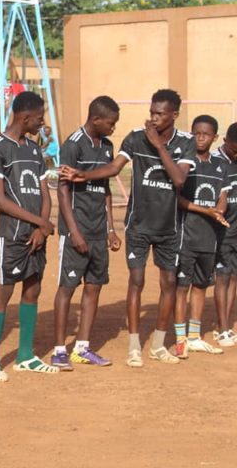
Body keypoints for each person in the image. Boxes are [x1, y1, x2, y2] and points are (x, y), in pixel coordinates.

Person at [61, 89, 196, 367]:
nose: (154, 118)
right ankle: (135, 346)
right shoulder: (135, 137)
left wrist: (158, 145)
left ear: (174, 115)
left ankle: (159, 344)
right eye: (152, 112)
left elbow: (179, 179)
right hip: (138, 225)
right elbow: (113, 168)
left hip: (168, 227)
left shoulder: (186, 142)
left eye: (160, 114)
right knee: (136, 282)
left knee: (169, 283)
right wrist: (83, 175)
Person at [0, 91, 58, 382]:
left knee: (33, 288)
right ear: (25, 117)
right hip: (12, 234)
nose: (42, 123)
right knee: (5, 290)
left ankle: (25, 355)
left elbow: (45, 193)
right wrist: (40, 221)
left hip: (37, 233)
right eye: (39, 118)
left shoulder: (36, 150)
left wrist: (42, 227)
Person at [50, 96, 122, 371]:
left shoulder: (107, 146)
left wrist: (111, 228)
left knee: (94, 287)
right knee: (67, 288)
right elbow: (63, 190)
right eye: (111, 123)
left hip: (97, 232)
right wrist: (74, 232)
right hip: (76, 232)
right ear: (96, 120)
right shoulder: (73, 144)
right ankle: (59, 351)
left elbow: (105, 189)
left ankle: (82, 348)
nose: (114, 128)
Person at [173, 115, 228, 357]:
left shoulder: (220, 166)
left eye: (206, 134)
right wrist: (204, 210)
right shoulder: (185, 164)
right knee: (181, 287)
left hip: (210, 238)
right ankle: (180, 338)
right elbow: (178, 199)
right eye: (197, 133)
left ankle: (194, 336)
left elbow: (223, 196)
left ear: (215, 137)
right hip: (187, 237)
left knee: (200, 285)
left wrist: (219, 211)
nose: (201, 137)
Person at [213, 122, 237, 346]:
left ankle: (227, 325)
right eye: (235, 149)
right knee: (223, 276)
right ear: (225, 142)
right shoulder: (214, 162)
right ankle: (222, 328)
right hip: (219, 231)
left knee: (234, 277)